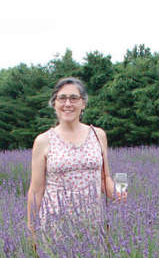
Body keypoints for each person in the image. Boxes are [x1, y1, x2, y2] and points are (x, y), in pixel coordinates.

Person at [27, 77, 122, 238]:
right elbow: (36, 190)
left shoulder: (98, 135)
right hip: (56, 226)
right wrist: (31, 229)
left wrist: (118, 193)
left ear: (83, 103)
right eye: (62, 98)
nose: (68, 104)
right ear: (54, 103)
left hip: (93, 224)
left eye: (74, 98)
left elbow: (104, 178)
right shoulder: (43, 141)